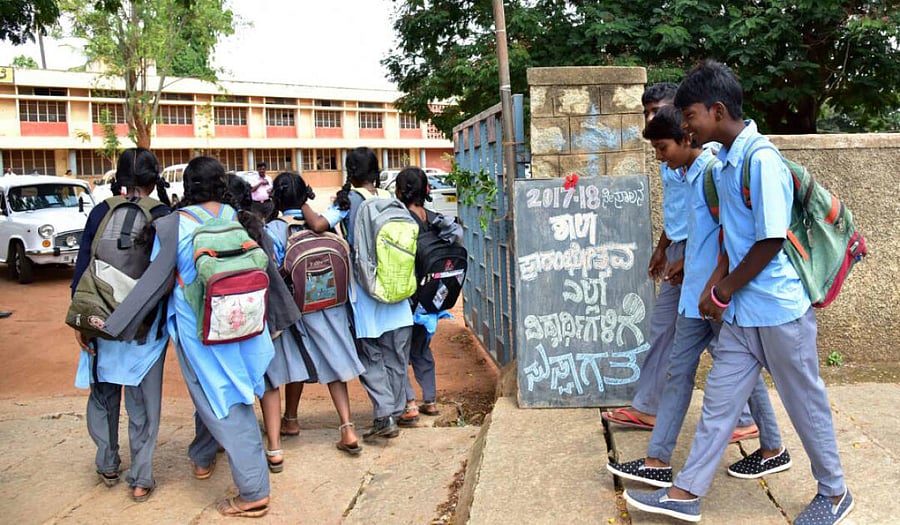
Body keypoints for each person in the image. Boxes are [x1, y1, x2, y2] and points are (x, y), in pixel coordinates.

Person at [624, 61, 853, 525]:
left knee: (804, 402)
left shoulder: (759, 159)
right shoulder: (726, 164)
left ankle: (833, 493)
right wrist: (717, 287)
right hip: (743, 315)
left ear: (718, 109)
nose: (685, 126)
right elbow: (734, 237)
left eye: (689, 116)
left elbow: (770, 239)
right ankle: (686, 492)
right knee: (719, 403)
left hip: (779, 311)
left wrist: (722, 290)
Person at [608, 106, 788, 491]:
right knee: (678, 373)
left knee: (742, 371)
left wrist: (712, 282)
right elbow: (694, 231)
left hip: (717, 299)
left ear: (686, 139)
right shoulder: (689, 174)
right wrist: (683, 261)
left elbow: (734, 234)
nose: (660, 157)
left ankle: (772, 447)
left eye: (663, 148)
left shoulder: (713, 173)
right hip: (693, 298)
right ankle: (657, 460)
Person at [71, 148, 171, 503]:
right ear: (152, 178)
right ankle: (141, 477)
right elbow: (166, 277)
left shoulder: (101, 211)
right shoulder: (163, 215)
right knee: (143, 404)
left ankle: (108, 461)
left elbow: (83, 266)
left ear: (120, 179)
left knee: (104, 394)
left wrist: (82, 322)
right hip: (145, 328)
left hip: (102, 320)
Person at [601, 83, 690, 431]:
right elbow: (678, 211)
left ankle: (749, 420)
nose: (652, 117)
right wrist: (662, 247)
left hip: (697, 253)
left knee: (720, 338)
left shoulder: (692, 154)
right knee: (663, 328)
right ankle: (648, 407)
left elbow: (705, 213)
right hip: (679, 250)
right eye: (647, 111)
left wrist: (690, 256)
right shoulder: (669, 156)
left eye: (659, 110)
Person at [267, 172, 366, 455]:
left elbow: (273, 268)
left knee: (290, 361)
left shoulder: (274, 228)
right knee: (335, 362)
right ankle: (347, 427)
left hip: (293, 306)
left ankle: (291, 420)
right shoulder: (321, 222)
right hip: (329, 303)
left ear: (276, 198)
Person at [334, 147, 414, 440]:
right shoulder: (390, 199)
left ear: (351, 172)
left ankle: (384, 416)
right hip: (399, 286)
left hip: (367, 290)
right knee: (396, 355)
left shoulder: (349, 201)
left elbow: (321, 225)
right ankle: (392, 411)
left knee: (370, 355)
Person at [394, 167, 462, 418]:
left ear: (399, 192)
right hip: (431, 301)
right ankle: (430, 400)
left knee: (398, 351)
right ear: (427, 190)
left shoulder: (401, 221)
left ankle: (410, 403)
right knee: (421, 349)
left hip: (407, 298)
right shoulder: (435, 219)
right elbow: (458, 239)